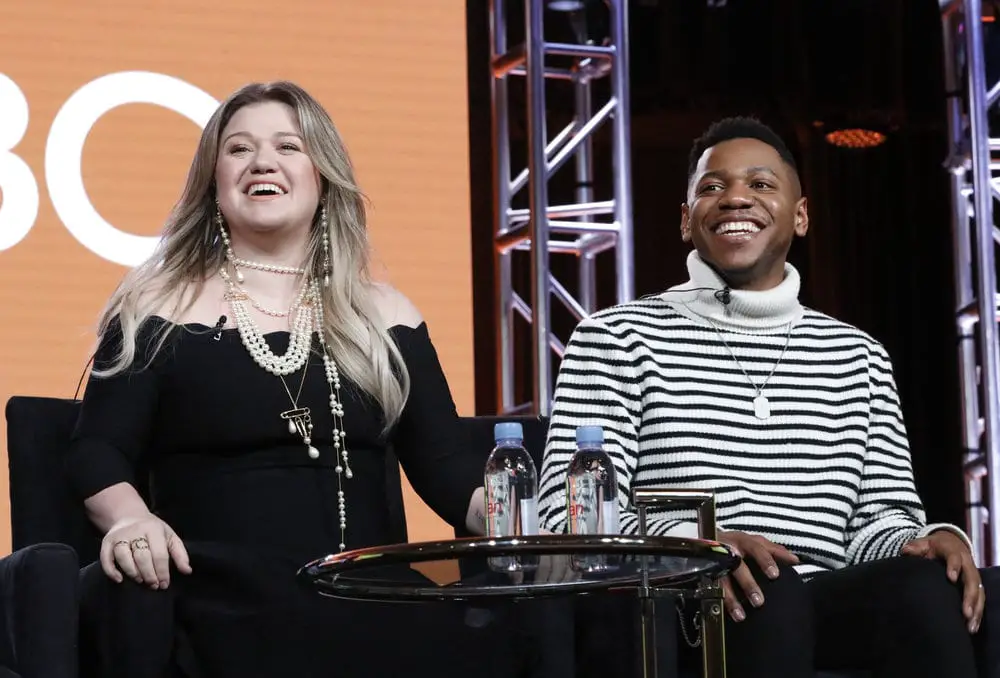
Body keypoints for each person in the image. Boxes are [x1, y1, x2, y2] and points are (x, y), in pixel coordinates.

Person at [537, 116, 987, 677]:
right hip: (686, 603)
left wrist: (930, 540)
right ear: (686, 221)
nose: (734, 199)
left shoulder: (858, 354)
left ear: (800, 216)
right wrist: (696, 548)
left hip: (828, 597)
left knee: (946, 589)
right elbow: (567, 514)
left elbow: (877, 524)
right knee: (774, 596)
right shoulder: (618, 337)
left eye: (761, 184)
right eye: (711, 187)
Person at [67, 81, 490, 678]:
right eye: (238, 149)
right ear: (214, 182)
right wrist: (131, 520)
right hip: (217, 587)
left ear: (322, 176)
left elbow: (447, 468)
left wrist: (530, 520)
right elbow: (97, 448)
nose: (262, 161)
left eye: (287, 147)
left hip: (362, 586)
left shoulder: (386, 313)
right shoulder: (157, 308)